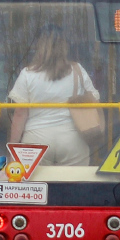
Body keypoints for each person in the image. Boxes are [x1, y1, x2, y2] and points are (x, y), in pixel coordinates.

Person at [7, 28, 99, 166]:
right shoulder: (77, 70)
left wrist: (11, 150)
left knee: (36, 185)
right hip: (72, 138)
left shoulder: (27, 74)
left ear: (39, 46)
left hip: (35, 140)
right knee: (74, 186)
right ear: (64, 46)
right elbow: (95, 99)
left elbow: (20, 115)